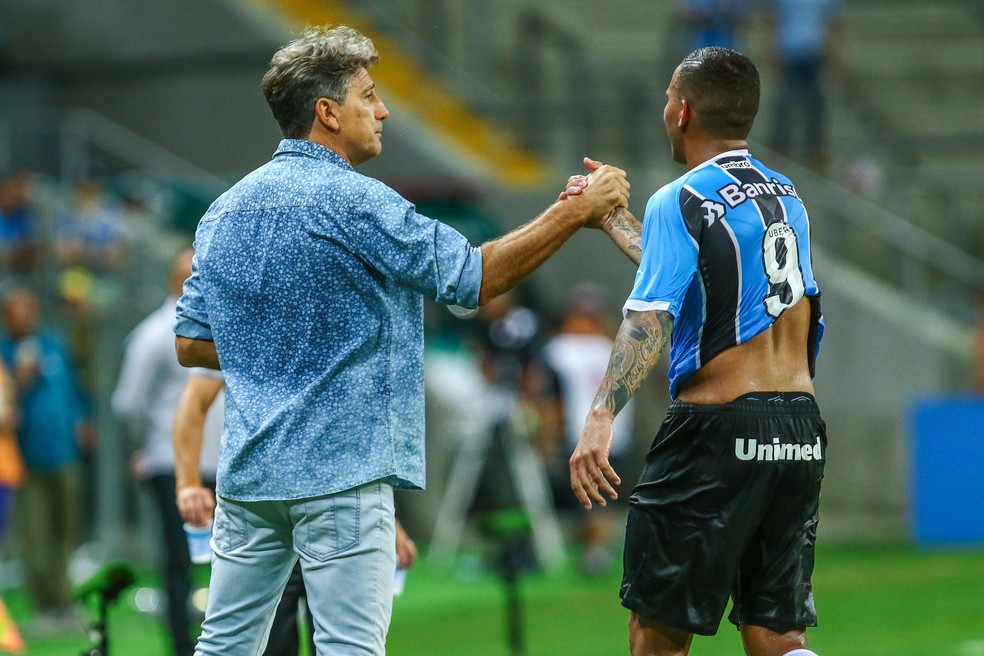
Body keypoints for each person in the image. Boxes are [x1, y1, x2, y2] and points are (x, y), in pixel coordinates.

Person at [172, 24, 629, 655]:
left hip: (249, 473)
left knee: (224, 647)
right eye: (368, 96)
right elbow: (473, 277)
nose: (383, 109)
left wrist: (288, 346)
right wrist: (573, 213)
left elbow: (192, 344)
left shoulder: (222, 210)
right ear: (327, 113)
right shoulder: (356, 200)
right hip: (342, 469)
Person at [567, 47, 825, 656]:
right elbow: (708, 280)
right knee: (775, 632)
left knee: (659, 629)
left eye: (665, 99)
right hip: (798, 429)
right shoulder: (787, 197)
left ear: (683, 112)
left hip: (718, 430)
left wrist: (603, 414)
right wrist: (613, 220)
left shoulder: (679, 197)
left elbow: (651, 313)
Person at [174, 369, 418, 656]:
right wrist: (187, 482)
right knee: (332, 645)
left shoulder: (247, 333)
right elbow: (193, 377)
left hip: (283, 494)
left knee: (227, 641)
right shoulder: (257, 334)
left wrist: (388, 518)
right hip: (312, 497)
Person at [111, 249, 223, 656]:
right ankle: (182, 646)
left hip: (220, 461)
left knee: (221, 564)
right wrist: (150, 445)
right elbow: (129, 402)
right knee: (180, 562)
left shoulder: (221, 325)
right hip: (173, 464)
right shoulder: (155, 333)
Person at [0, 285, 93, 636]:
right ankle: (46, 607)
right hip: (26, 460)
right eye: (17, 309)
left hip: (63, 451)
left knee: (65, 532)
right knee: (37, 538)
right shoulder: (4, 354)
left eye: (29, 308)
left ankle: (65, 603)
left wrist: (84, 418)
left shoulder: (54, 345)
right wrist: (22, 381)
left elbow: (73, 387)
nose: (25, 315)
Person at [542, 282, 635, 576]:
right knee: (599, 493)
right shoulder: (612, 346)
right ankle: (596, 549)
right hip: (612, 432)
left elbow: (547, 393)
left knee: (590, 494)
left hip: (581, 431)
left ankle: (595, 550)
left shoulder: (559, 348)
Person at [765, 0, 844, 170]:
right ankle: (781, 146)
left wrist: (835, 55)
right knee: (784, 102)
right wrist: (774, 48)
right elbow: (776, 20)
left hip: (815, 53)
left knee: (816, 104)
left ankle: (815, 147)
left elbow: (833, 23)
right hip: (790, 52)